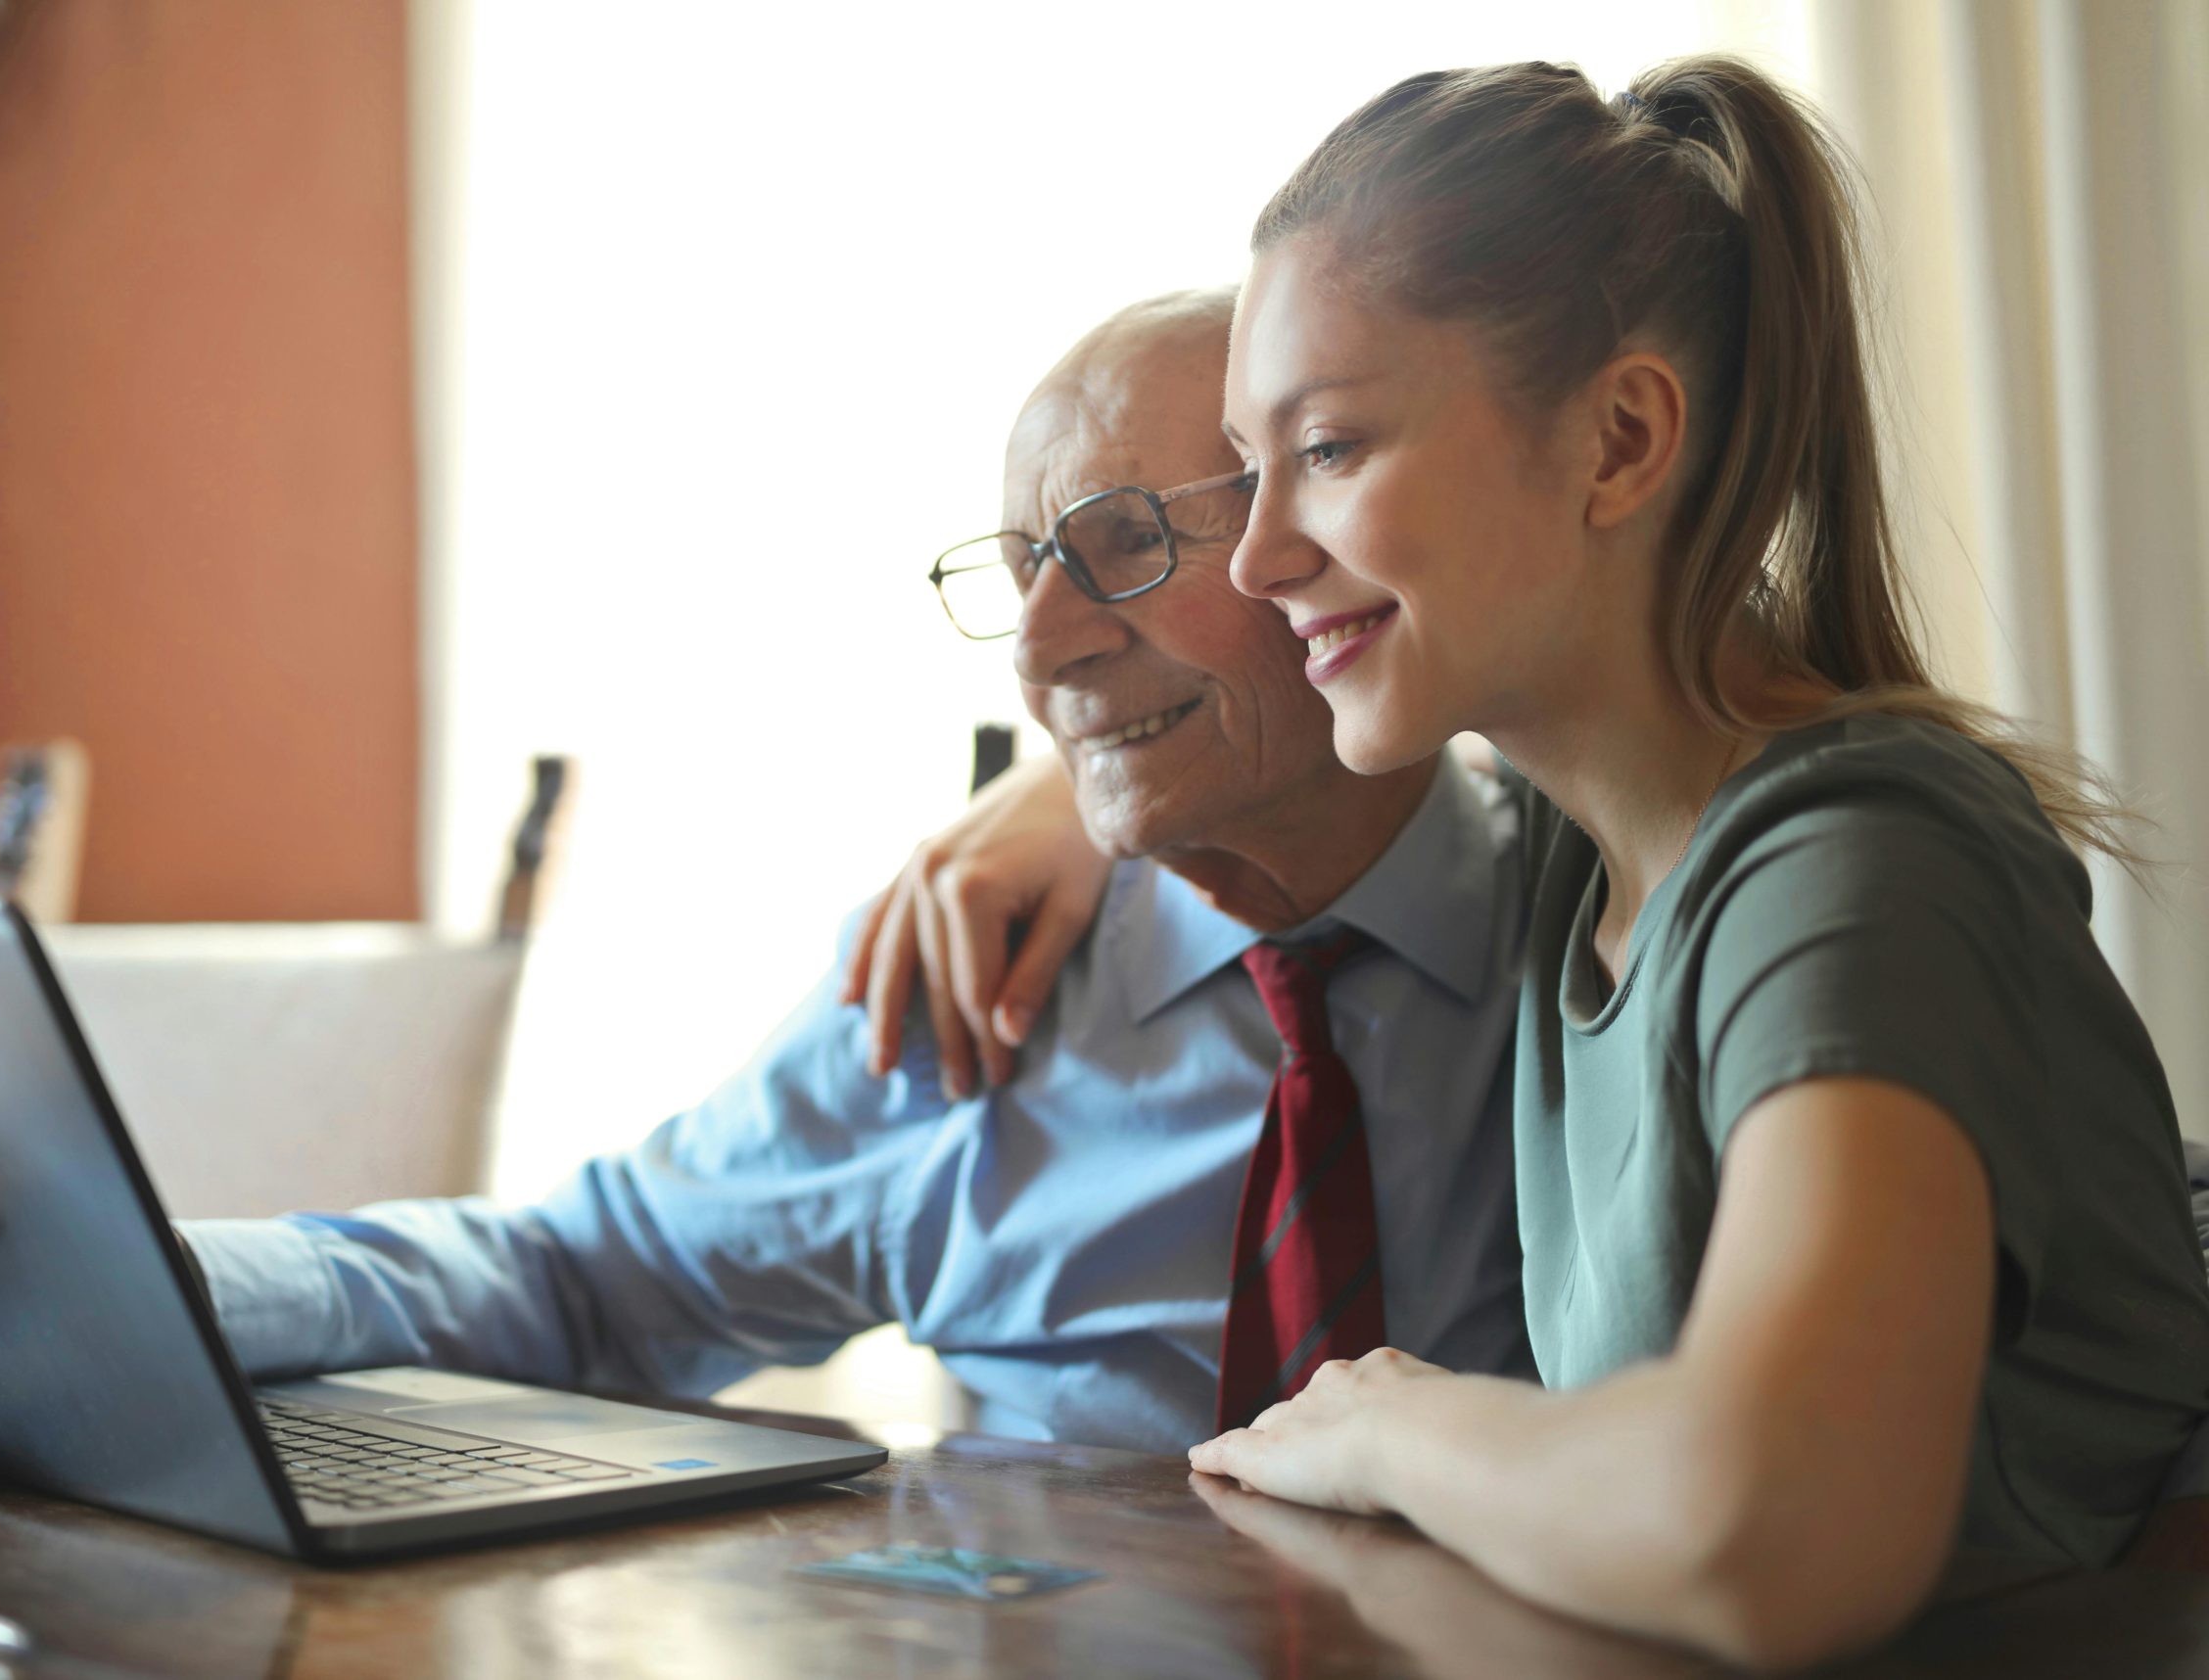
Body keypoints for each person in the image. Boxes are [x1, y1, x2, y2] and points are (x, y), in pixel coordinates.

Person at [852, 56, 2209, 1669]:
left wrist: (1386, 1426)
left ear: (1622, 441)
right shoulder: (1597, 861)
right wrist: (1077, 801)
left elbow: (1770, 1531)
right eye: (1250, 466)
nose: (1268, 553)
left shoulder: (1861, 870)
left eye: (1333, 450)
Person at [0, 287, 1534, 1460]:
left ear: (1331, 534)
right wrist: (117, 1284)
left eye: (1123, 543)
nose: (1040, 648)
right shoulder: (970, 986)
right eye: (1020, 565)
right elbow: (584, 1278)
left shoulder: (1618, 913)